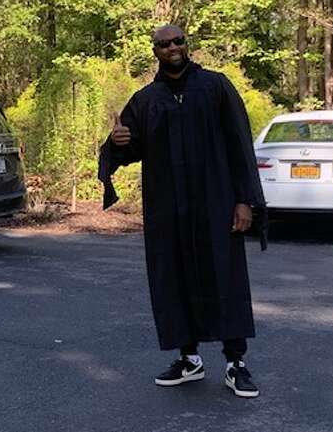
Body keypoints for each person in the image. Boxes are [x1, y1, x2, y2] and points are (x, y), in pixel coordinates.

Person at [98, 24, 267, 398]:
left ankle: (235, 362)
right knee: (173, 278)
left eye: (178, 41)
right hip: (168, 208)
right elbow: (127, 146)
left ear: (186, 44)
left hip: (217, 202)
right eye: (164, 44)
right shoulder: (146, 100)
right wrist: (117, 143)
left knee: (225, 276)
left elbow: (240, 146)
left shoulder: (216, 88)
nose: (173, 47)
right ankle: (188, 359)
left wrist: (245, 200)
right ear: (155, 51)